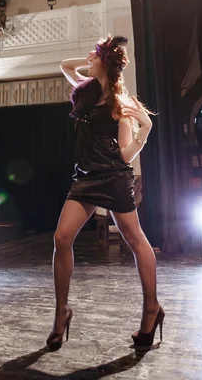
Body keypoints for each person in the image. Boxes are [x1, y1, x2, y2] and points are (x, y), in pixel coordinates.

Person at [46, 35, 164, 351]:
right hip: (84, 177)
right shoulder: (85, 91)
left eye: (95, 55)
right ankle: (61, 312)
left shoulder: (121, 104)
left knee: (136, 240)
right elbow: (65, 65)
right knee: (61, 238)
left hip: (113, 177)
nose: (89, 56)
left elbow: (124, 155)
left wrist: (145, 132)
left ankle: (152, 308)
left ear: (105, 62)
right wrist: (95, 62)